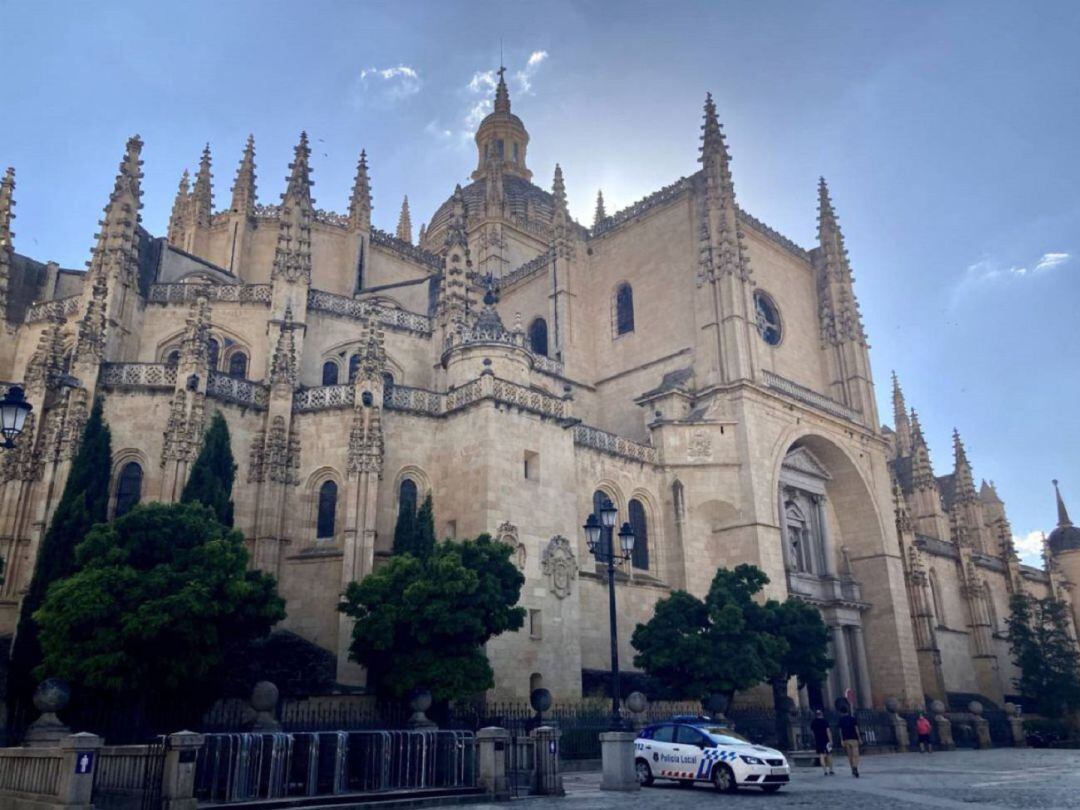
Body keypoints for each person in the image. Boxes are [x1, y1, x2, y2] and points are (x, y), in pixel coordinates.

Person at [809, 709, 835, 775]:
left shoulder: (813, 722)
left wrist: (814, 739)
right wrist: (831, 740)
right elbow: (828, 731)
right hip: (826, 740)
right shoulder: (825, 721)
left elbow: (812, 733)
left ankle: (825, 771)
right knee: (829, 755)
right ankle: (831, 770)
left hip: (818, 740)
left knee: (821, 755)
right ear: (821, 714)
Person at [837, 707, 861, 777]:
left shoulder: (841, 720)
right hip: (854, 738)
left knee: (850, 755)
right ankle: (855, 766)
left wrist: (841, 740)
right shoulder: (853, 719)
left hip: (846, 739)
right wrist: (859, 738)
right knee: (855, 755)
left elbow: (840, 731)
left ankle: (852, 769)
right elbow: (856, 729)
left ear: (841, 713)